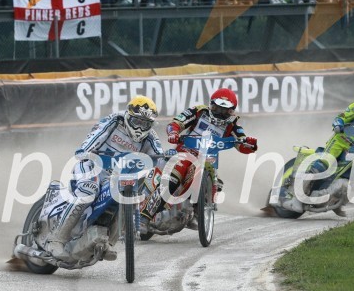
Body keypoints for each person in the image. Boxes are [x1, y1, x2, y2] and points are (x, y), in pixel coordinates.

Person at [45, 96, 164, 260]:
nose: (140, 128)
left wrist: (166, 160)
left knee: (125, 198)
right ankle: (56, 239)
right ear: (129, 115)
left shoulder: (150, 136)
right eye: (137, 122)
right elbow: (96, 135)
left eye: (145, 124)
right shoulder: (114, 121)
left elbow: (158, 156)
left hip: (116, 176)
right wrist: (85, 150)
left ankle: (106, 241)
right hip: (92, 164)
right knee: (88, 191)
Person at [139, 88, 258, 224]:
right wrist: (173, 133)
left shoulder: (234, 125)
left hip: (208, 159)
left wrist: (250, 144)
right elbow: (176, 123)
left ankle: (198, 212)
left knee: (218, 183)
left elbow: (242, 143)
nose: (220, 113)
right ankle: (145, 217)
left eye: (225, 110)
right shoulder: (198, 111)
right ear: (211, 104)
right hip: (185, 152)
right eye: (217, 108)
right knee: (172, 178)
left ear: (232, 110)